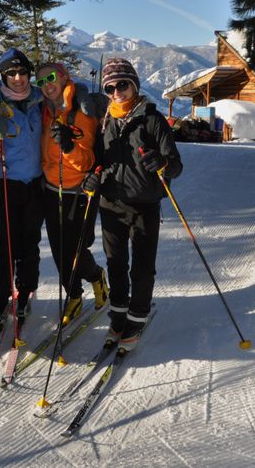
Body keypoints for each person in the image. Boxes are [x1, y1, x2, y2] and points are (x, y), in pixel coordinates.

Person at [81, 58, 182, 350]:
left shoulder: (152, 119)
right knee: (115, 263)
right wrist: (92, 180)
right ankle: (118, 315)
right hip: (111, 203)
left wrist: (162, 162)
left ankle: (137, 317)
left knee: (141, 266)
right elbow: (98, 162)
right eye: (110, 88)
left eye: (122, 85)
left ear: (134, 85)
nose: (116, 93)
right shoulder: (105, 121)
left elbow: (175, 165)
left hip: (145, 203)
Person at [35, 62, 109, 326]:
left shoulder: (82, 111)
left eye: (51, 77)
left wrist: (68, 147)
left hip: (79, 190)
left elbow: (89, 159)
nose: (47, 85)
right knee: (58, 250)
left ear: (64, 76)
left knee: (75, 250)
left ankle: (96, 276)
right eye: (41, 82)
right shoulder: (44, 110)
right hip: (51, 189)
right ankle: (74, 295)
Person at [0, 48, 44, 329]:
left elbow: (66, 96)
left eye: (22, 72)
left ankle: (25, 292)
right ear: (3, 76)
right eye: (11, 73)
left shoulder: (41, 101)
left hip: (35, 182)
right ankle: (0, 297)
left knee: (29, 242)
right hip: (5, 182)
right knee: (4, 243)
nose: (18, 78)